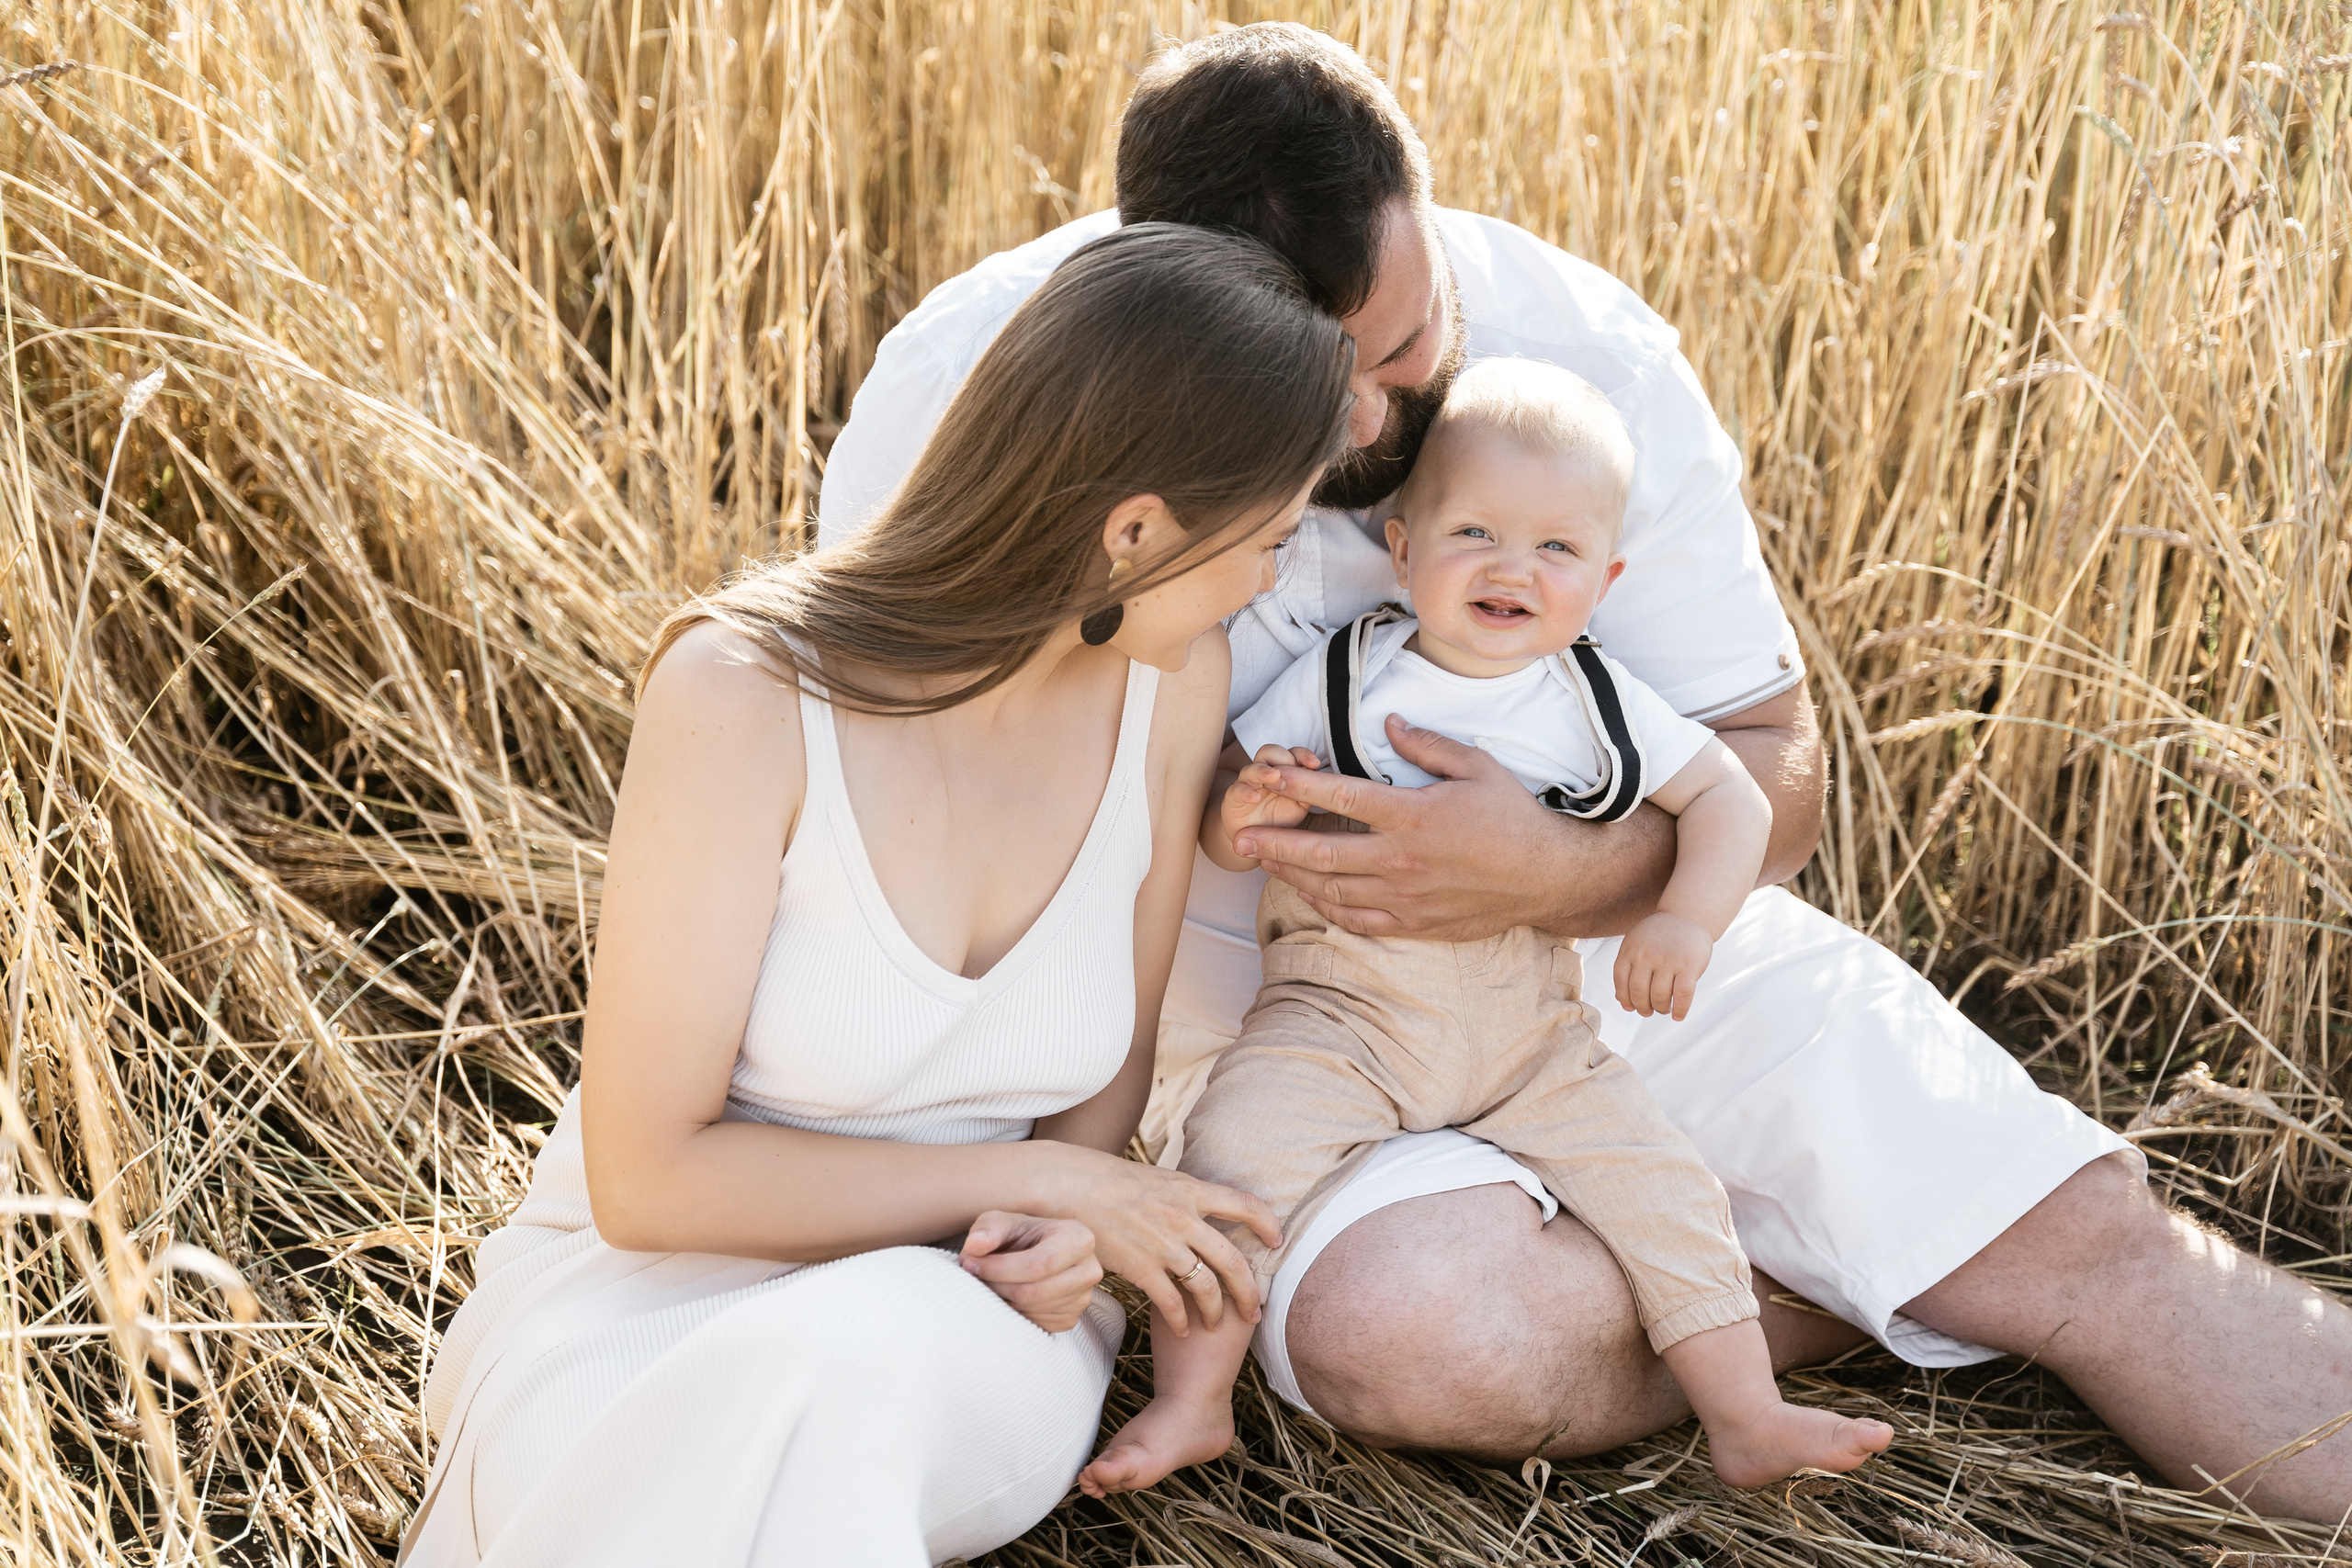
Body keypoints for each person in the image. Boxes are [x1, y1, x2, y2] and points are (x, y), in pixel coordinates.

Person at [820, 23, 2352, 1520]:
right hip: (1253, 1028)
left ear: (1430, 222)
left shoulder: (1588, 360)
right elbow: (908, 812)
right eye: (1294, 380)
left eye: (1400, 351)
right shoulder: (972, 382)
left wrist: (1562, 875)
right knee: (1433, 1336)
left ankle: (1921, 1254)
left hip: (1613, 972)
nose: (1364, 420)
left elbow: (1768, 758)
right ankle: (1833, 1283)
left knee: (2094, 1245)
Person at [397, 223, 1353, 1566]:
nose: (1270, 582)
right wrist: (1043, 1175)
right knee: (746, 1420)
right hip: (637, 1301)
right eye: (1271, 541)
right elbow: (647, 1181)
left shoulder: (1172, 692)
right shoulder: (742, 693)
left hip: (969, 1309)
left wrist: (1058, 1219)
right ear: (1134, 531)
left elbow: (1102, 1094)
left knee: (840, 1368)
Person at [1080, 358, 1894, 1496]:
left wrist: (1685, 922)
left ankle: (1747, 1414)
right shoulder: (1344, 674)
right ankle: (1191, 1401)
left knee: (1667, 1189)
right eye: (1474, 533)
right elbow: (1224, 814)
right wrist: (1244, 811)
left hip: (1530, 1035)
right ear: (1403, 550)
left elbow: (1731, 799)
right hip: (1338, 1021)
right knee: (1233, 1161)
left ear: (1603, 580)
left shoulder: (1593, 701)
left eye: (1557, 548)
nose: (1514, 568)